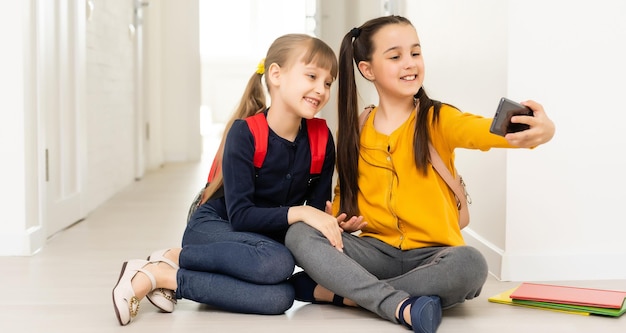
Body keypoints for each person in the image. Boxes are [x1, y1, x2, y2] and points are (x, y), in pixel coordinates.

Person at [284, 15, 555, 333]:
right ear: (367, 69)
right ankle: (400, 303)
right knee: (300, 233)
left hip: (434, 256)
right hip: (375, 251)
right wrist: (343, 220)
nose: (410, 64)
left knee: (471, 264)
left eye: (415, 53)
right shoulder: (356, 130)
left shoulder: (438, 118)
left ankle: (350, 295)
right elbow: (346, 201)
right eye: (395, 56)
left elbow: (483, 130)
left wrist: (542, 131)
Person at [111, 33, 342, 326]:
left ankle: (171, 277)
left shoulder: (322, 138)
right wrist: (301, 212)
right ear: (276, 75)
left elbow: (317, 212)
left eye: (328, 82)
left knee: (280, 298)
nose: (320, 89)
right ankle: (162, 268)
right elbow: (242, 216)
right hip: (216, 228)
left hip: (260, 247)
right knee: (279, 263)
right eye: (311, 76)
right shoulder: (244, 133)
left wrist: (330, 221)